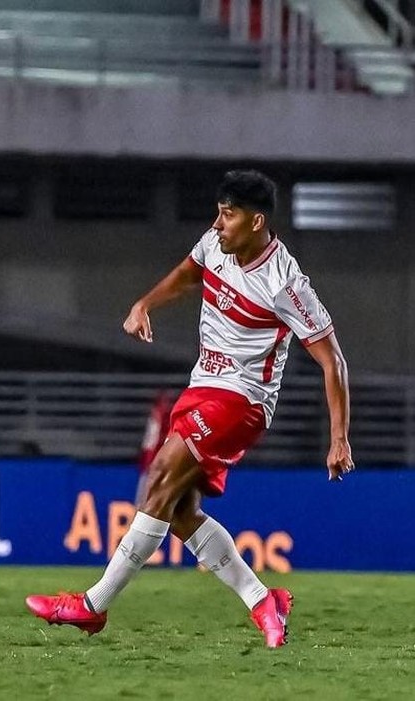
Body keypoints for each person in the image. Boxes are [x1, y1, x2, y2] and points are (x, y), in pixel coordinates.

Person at [25, 170, 354, 648]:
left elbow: (333, 360)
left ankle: (92, 606)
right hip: (202, 387)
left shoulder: (286, 283)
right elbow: (186, 275)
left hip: (242, 400)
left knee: (159, 477)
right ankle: (265, 600)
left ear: (257, 221)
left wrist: (339, 437)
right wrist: (145, 304)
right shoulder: (213, 245)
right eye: (218, 213)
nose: (218, 224)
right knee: (179, 509)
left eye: (229, 214)